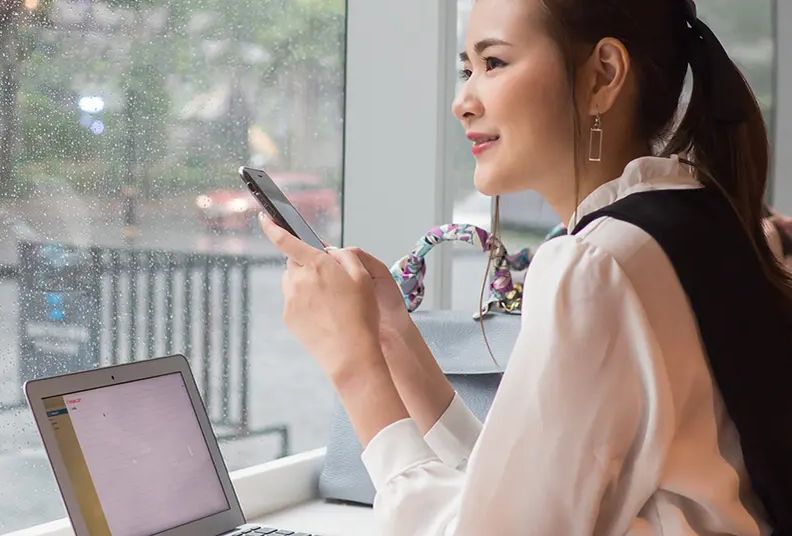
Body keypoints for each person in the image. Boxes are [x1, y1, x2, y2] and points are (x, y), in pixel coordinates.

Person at [259, 0, 792, 534]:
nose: (462, 102)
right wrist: (393, 338)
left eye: (494, 64)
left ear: (602, 76)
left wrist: (353, 367)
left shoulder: (596, 265)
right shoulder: (689, 215)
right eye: (467, 69)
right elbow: (524, 491)